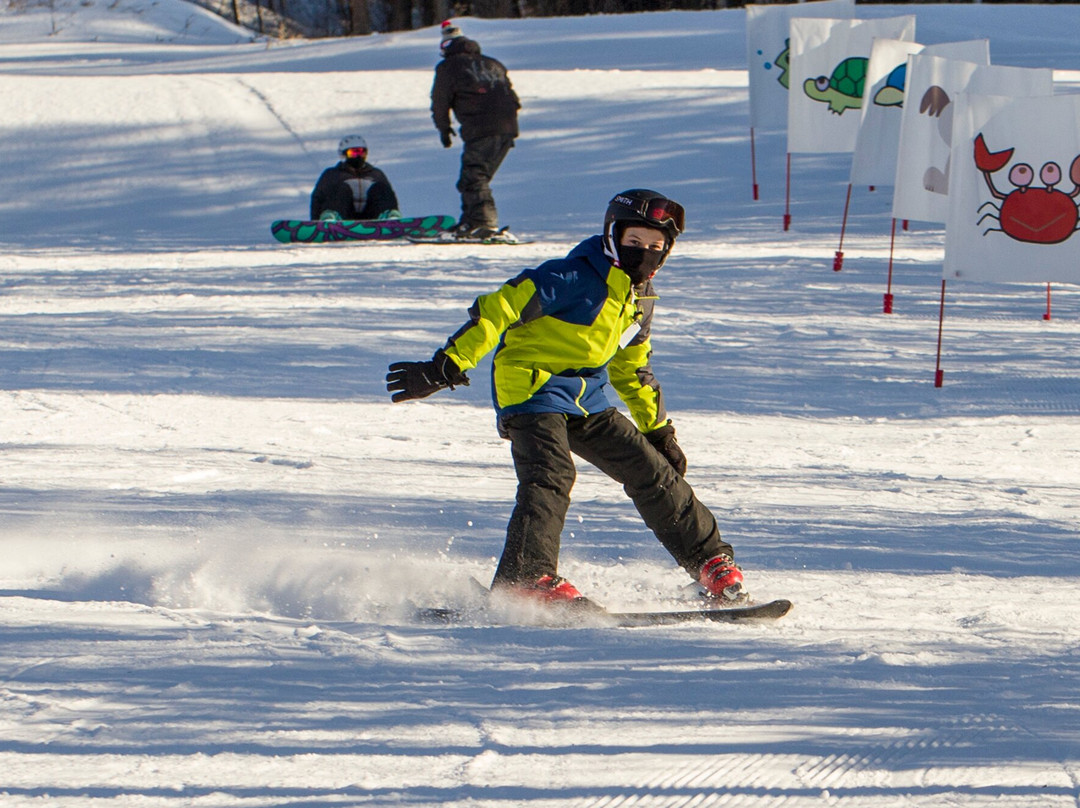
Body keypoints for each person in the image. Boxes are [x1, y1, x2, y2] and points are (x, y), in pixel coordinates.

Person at [385, 189, 747, 604]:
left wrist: (659, 431)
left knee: (653, 472)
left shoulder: (639, 299)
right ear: (612, 236)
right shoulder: (571, 277)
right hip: (533, 389)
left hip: (586, 398)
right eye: (634, 243)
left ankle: (709, 561)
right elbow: (499, 309)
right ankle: (526, 576)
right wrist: (445, 365)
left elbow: (633, 369)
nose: (644, 254)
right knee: (551, 474)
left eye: (655, 247)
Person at [430, 21, 520, 240]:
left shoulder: (448, 67)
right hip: (507, 129)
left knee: (474, 176)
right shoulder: (494, 64)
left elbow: (440, 100)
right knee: (473, 177)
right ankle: (470, 222)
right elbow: (513, 98)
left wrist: (443, 127)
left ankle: (483, 223)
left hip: (481, 128)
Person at [310, 135, 401, 221]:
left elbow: (389, 196)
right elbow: (317, 199)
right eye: (353, 153)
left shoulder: (376, 174)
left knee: (379, 187)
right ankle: (331, 218)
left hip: (372, 216)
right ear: (344, 155)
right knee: (342, 188)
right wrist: (315, 223)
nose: (358, 156)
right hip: (344, 217)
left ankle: (389, 219)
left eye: (361, 152)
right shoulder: (332, 174)